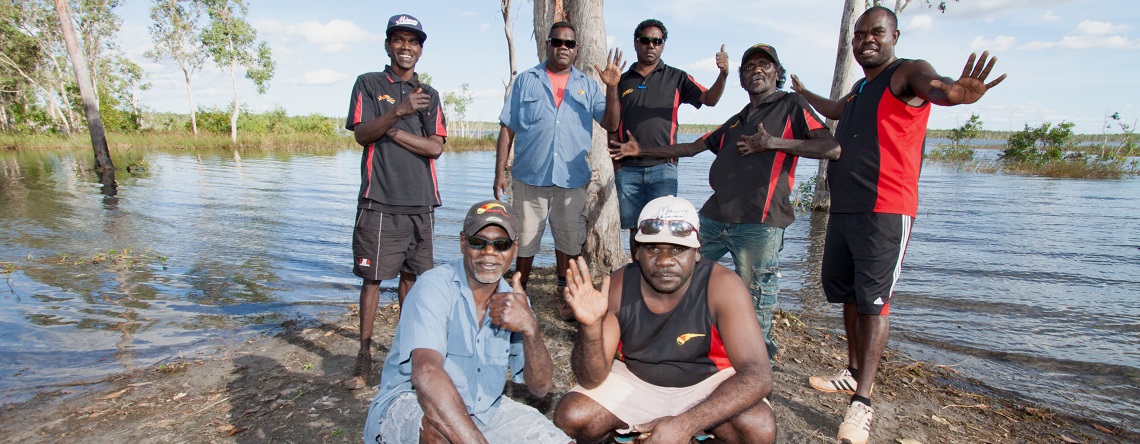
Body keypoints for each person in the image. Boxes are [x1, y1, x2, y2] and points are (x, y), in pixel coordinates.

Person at [790, 7, 1006, 444]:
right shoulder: (859, 87)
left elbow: (939, 89)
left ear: (894, 35)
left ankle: (862, 404)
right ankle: (851, 373)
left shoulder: (908, 72)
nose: (867, 39)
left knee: (874, 302)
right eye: (860, 34)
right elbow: (836, 108)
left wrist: (957, 94)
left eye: (876, 32)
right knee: (845, 289)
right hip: (846, 208)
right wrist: (805, 92)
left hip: (887, 209)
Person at [610, 43, 840, 364]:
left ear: (777, 73)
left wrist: (774, 143)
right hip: (714, 218)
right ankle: (671, 339)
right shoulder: (737, 120)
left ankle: (757, 367)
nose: (755, 70)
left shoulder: (791, 105)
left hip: (760, 224)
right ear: (742, 80)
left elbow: (831, 148)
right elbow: (690, 148)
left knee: (755, 297)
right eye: (748, 67)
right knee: (679, 272)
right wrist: (640, 151)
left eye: (764, 64)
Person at [552, 195, 775, 444]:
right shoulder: (618, 285)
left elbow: (758, 374)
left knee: (759, 427)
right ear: (637, 251)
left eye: (678, 249)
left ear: (697, 252)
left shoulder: (722, 286)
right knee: (572, 417)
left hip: (707, 386)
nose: (665, 260)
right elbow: (591, 379)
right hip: (638, 382)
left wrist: (684, 423)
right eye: (653, 248)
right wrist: (590, 327)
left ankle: (689, 435)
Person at [363, 200, 569, 444]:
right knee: (440, 434)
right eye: (478, 243)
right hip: (412, 401)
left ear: (514, 249)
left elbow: (541, 388)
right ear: (463, 243)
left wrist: (531, 329)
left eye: (500, 244)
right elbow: (426, 372)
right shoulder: (434, 286)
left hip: (485, 409)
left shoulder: (516, 303)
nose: (489, 253)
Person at [343, 13, 447, 390]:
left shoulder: (430, 95)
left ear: (420, 49)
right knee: (372, 279)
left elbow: (435, 148)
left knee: (413, 280)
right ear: (388, 45)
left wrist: (391, 133)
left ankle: (404, 350)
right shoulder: (369, 84)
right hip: (379, 199)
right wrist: (398, 114)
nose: (407, 47)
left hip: (421, 203)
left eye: (414, 41)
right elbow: (361, 134)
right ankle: (364, 355)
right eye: (399, 40)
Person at [494, 21, 620, 320]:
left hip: (571, 179)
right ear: (548, 44)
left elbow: (612, 124)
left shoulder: (588, 85)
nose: (563, 47)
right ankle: (518, 289)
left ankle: (564, 290)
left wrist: (612, 88)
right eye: (557, 42)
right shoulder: (526, 80)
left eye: (569, 44)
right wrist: (500, 171)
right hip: (529, 176)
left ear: (576, 49)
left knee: (568, 239)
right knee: (524, 238)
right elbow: (507, 128)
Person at [607, 19, 729, 256]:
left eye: (657, 41)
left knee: (663, 228)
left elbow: (709, 99)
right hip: (628, 168)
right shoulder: (622, 79)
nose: (650, 45)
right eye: (645, 40)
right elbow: (611, 124)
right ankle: (637, 275)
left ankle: (659, 278)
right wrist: (617, 165)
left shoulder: (677, 78)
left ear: (663, 45)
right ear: (636, 43)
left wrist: (723, 75)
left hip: (663, 168)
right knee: (636, 230)